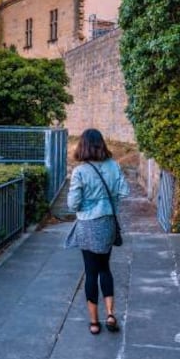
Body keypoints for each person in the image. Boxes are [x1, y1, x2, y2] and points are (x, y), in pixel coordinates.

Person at [65, 128, 130, 335]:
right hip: (108, 223)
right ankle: (111, 314)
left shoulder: (80, 171)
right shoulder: (113, 165)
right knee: (105, 268)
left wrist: (88, 202)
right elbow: (125, 191)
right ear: (102, 144)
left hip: (87, 225)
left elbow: (73, 204)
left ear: (82, 146)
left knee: (90, 272)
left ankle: (94, 322)